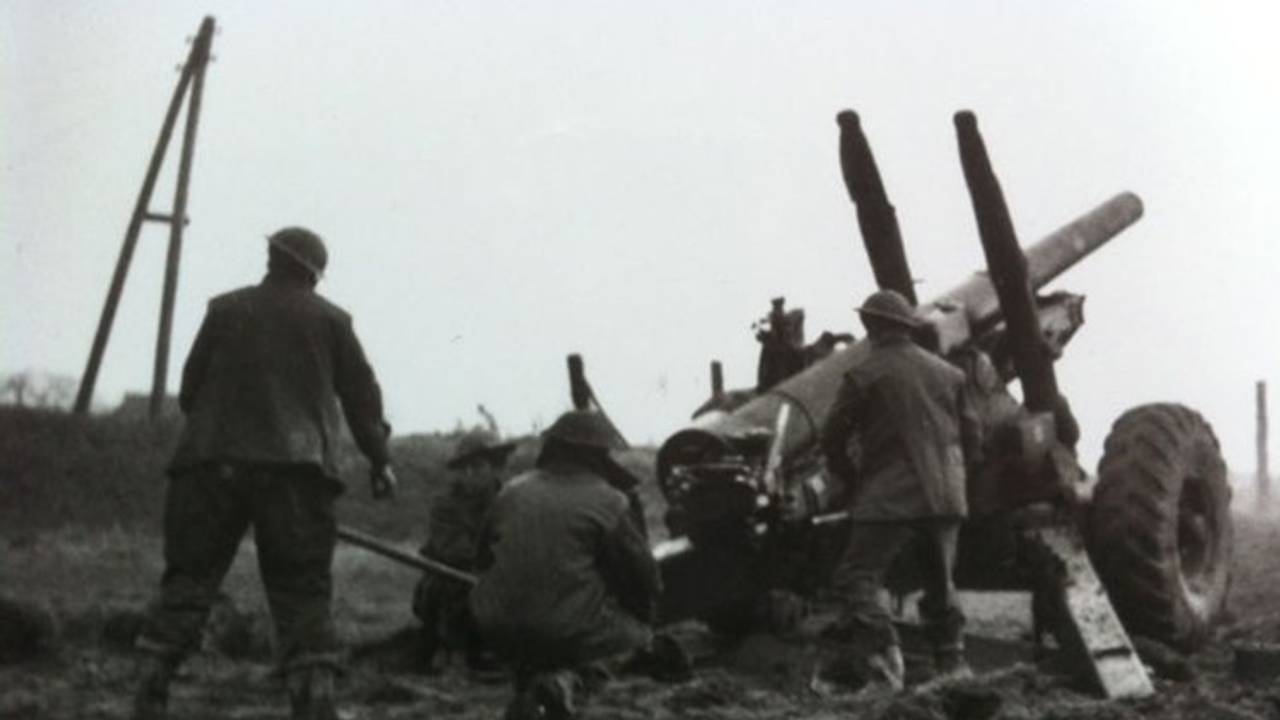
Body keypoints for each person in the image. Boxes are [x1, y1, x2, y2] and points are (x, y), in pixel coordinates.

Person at [131, 227, 397, 720]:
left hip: (209, 468)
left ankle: (151, 689)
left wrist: (228, 431)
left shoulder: (224, 309)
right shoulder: (333, 321)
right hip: (297, 474)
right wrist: (380, 461)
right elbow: (363, 401)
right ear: (314, 273)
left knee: (188, 580)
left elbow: (191, 391)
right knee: (302, 591)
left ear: (271, 259)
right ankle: (314, 701)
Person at [818, 289, 982, 695]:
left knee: (856, 578)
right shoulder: (950, 374)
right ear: (907, 327)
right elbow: (974, 435)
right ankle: (953, 668)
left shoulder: (865, 375)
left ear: (869, 326)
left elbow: (832, 437)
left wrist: (852, 480)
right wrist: (958, 475)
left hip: (889, 496)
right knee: (941, 583)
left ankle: (885, 663)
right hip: (946, 497)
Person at [469, 410, 682, 720]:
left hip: (495, 627)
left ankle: (531, 683)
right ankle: (566, 684)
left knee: (541, 631)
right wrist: (640, 617)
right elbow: (646, 580)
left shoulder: (511, 491)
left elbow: (482, 561)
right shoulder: (609, 501)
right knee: (636, 638)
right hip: (562, 628)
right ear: (596, 455)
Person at [412, 432, 517, 673]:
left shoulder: (513, 501)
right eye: (464, 468)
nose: (469, 475)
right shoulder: (446, 505)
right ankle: (451, 649)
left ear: (495, 467)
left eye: (477, 466)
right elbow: (454, 552)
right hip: (451, 583)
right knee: (448, 589)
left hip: (503, 583)